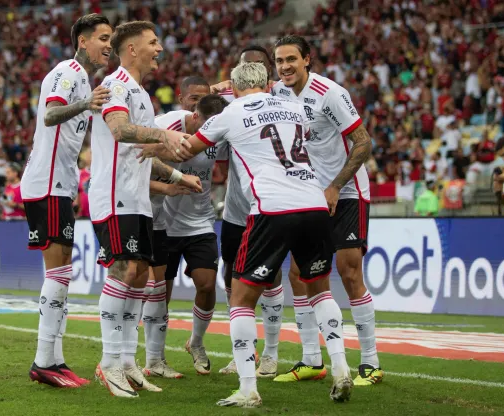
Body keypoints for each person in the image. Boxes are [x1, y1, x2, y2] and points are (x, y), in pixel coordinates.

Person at [154, 62, 353, 407]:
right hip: (314, 203)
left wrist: (152, 143)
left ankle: (248, 387)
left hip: (271, 209)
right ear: (267, 82)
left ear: (233, 85)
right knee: (320, 290)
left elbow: (189, 149)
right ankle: (341, 368)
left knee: (241, 299)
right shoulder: (295, 107)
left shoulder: (229, 114)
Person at [87, 20, 201, 398]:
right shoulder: (116, 85)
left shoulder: (140, 93)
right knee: (125, 271)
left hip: (137, 198)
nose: (160, 49)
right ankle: (108, 363)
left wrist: (177, 175)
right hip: (114, 194)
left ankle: (126, 360)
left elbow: (145, 150)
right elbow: (120, 130)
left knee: (140, 277)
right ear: (132, 49)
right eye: (153, 43)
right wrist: (164, 135)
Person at [272, 35, 383, 386]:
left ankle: (370, 362)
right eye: (280, 61)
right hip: (308, 195)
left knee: (349, 273)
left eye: (292, 59)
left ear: (307, 59)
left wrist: (335, 185)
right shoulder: (278, 92)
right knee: (299, 275)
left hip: (346, 192)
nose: (285, 66)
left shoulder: (330, 93)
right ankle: (311, 360)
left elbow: (363, 141)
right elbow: (242, 84)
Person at [20, 13, 113, 389]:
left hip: (59, 185)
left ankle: (55, 361)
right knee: (58, 273)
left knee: (61, 273)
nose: (109, 45)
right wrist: (86, 104)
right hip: (46, 184)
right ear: (83, 41)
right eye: (103, 38)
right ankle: (44, 361)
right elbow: (50, 115)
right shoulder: (68, 72)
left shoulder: (83, 80)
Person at [138, 94, 229, 378]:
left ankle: (197, 342)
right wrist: (168, 187)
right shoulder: (164, 127)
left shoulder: (221, 131)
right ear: (194, 115)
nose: (209, 133)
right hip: (162, 222)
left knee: (206, 283)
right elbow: (137, 165)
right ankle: (155, 359)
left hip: (200, 221)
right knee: (159, 295)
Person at [212, 45, 287, 380]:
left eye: (257, 65)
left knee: (270, 276)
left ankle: (270, 353)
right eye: (245, 65)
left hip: (270, 205)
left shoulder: (285, 101)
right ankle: (244, 351)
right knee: (232, 275)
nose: (251, 70)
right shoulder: (229, 104)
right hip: (237, 208)